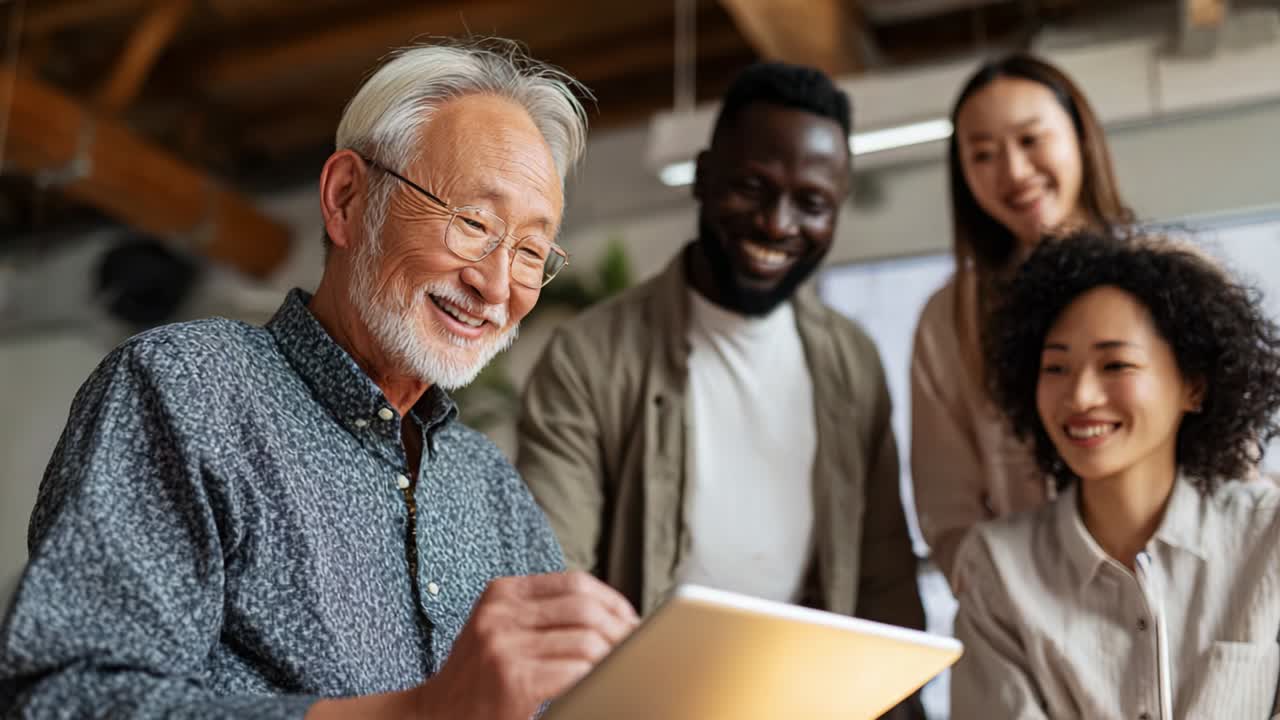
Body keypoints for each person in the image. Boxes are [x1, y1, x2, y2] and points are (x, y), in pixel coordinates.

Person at [0, 39, 639, 720]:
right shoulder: (188, 391)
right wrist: (417, 714)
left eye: (531, 252)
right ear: (346, 199)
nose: (494, 284)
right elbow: (66, 697)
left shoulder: (492, 491)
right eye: (474, 223)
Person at [518, 62, 924, 637]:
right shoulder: (589, 358)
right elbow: (555, 578)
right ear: (704, 177)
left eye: (811, 202)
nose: (776, 224)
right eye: (752, 187)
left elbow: (883, 568)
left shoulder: (852, 361)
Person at [950, 232, 1280, 719]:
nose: (1081, 396)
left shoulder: (1268, 538)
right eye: (1057, 367)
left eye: (1116, 364)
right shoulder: (997, 569)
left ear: (1193, 385)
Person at [910, 53, 1136, 586]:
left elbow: (1225, 474)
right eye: (983, 154)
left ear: (1079, 136)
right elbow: (949, 513)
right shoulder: (951, 317)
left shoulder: (1164, 279)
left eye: (1031, 140)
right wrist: (1019, 608)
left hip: (1174, 609)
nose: (1013, 171)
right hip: (1023, 621)